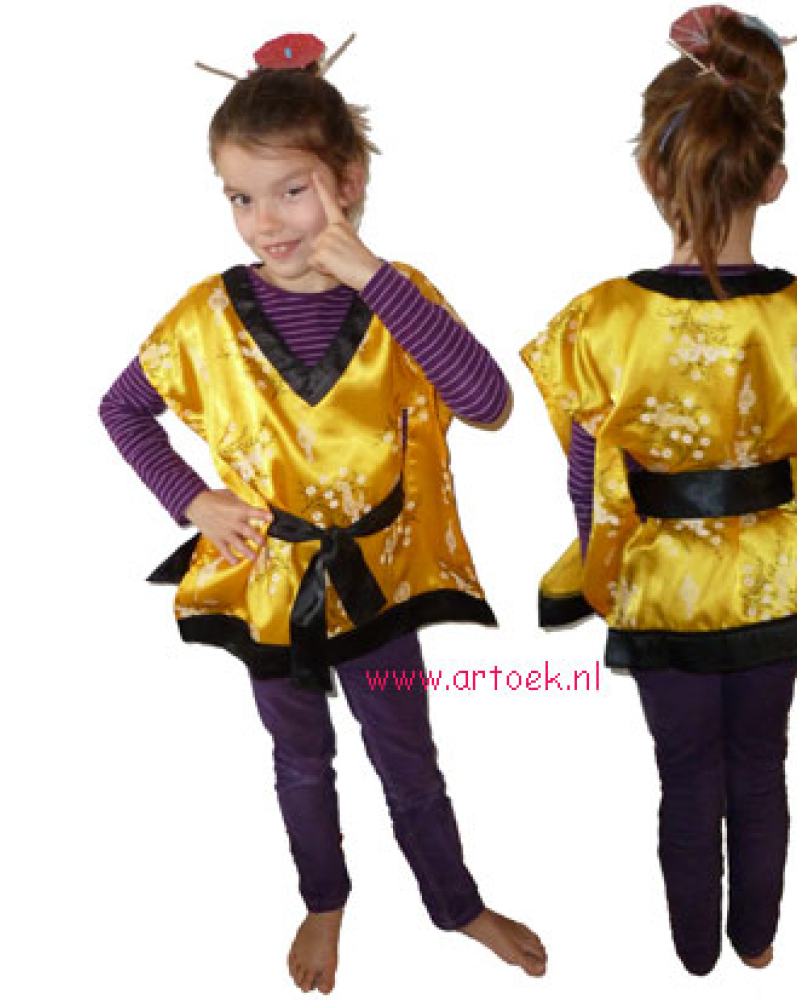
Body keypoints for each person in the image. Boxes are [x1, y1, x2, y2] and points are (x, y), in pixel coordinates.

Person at [100, 32, 545, 995]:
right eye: (239, 197)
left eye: (291, 190)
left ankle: (456, 904)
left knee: (408, 758)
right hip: (270, 590)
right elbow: (122, 409)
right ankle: (325, 899)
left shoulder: (398, 298)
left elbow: (488, 403)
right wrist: (191, 497)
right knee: (300, 760)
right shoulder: (205, 318)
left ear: (348, 182)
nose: (264, 221)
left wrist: (373, 275)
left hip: (376, 589)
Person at [520, 6, 797, 977]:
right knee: (761, 769)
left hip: (659, 588)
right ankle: (754, 937)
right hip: (778, 584)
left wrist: (606, 573)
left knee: (684, 777)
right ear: (773, 176)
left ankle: (694, 951)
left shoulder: (600, 320)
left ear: (653, 174)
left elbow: (586, 475)